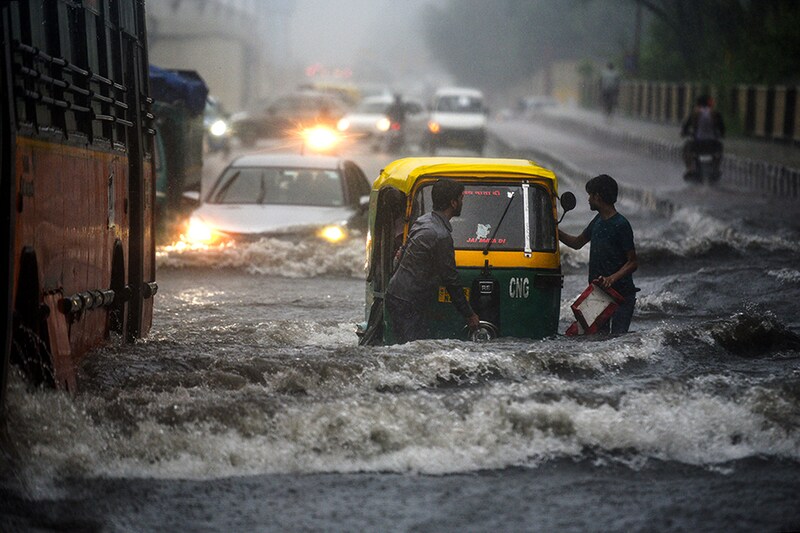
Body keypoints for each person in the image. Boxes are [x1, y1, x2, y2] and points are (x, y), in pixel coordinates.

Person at [385, 178, 481, 343]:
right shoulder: (440, 236)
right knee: (411, 350)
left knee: (406, 348)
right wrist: (469, 314)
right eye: (461, 198)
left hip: (397, 294)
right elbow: (451, 279)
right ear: (453, 203)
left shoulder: (424, 220)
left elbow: (401, 254)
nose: (462, 201)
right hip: (409, 303)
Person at [558, 174, 638, 334]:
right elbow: (577, 243)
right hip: (599, 293)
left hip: (621, 296)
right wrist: (554, 231)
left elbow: (633, 262)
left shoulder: (621, 224)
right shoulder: (597, 221)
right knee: (595, 341)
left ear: (598, 196)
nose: (588, 199)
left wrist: (611, 278)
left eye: (590, 195)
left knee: (618, 340)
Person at [681, 94, 725, 179]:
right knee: (720, 149)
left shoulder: (694, 113)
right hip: (713, 144)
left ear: (697, 104)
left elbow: (685, 127)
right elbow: (722, 128)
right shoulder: (715, 113)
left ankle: (689, 169)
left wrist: (684, 133)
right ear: (709, 104)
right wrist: (721, 134)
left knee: (686, 148)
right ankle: (716, 168)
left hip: (697, 144)